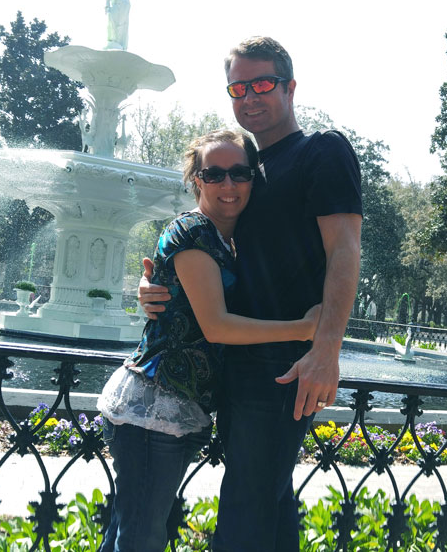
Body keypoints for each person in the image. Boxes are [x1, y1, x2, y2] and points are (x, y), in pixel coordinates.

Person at [139, 36, 362, 551]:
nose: (250, 97)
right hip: (237, 357)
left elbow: (345, 251)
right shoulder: (248, 168)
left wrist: (326, 349)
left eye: (263, 84)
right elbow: (208, 247)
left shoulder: (321, 150)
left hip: (283, 364)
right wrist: (154, 286)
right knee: (268, 502)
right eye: (238, 87)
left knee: (244, 509)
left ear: (290, 87)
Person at [97, 130, 321, 552]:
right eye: (213, 174)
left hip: (178, 406)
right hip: (154, 405)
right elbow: (217, 326)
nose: (228, 185)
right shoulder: (195, 231)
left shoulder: (233, 240)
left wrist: (153, 282)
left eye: (240, 173)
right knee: (140, 536)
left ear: (255, 178)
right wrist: (303, 328)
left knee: (131, 529)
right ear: (196, 180)